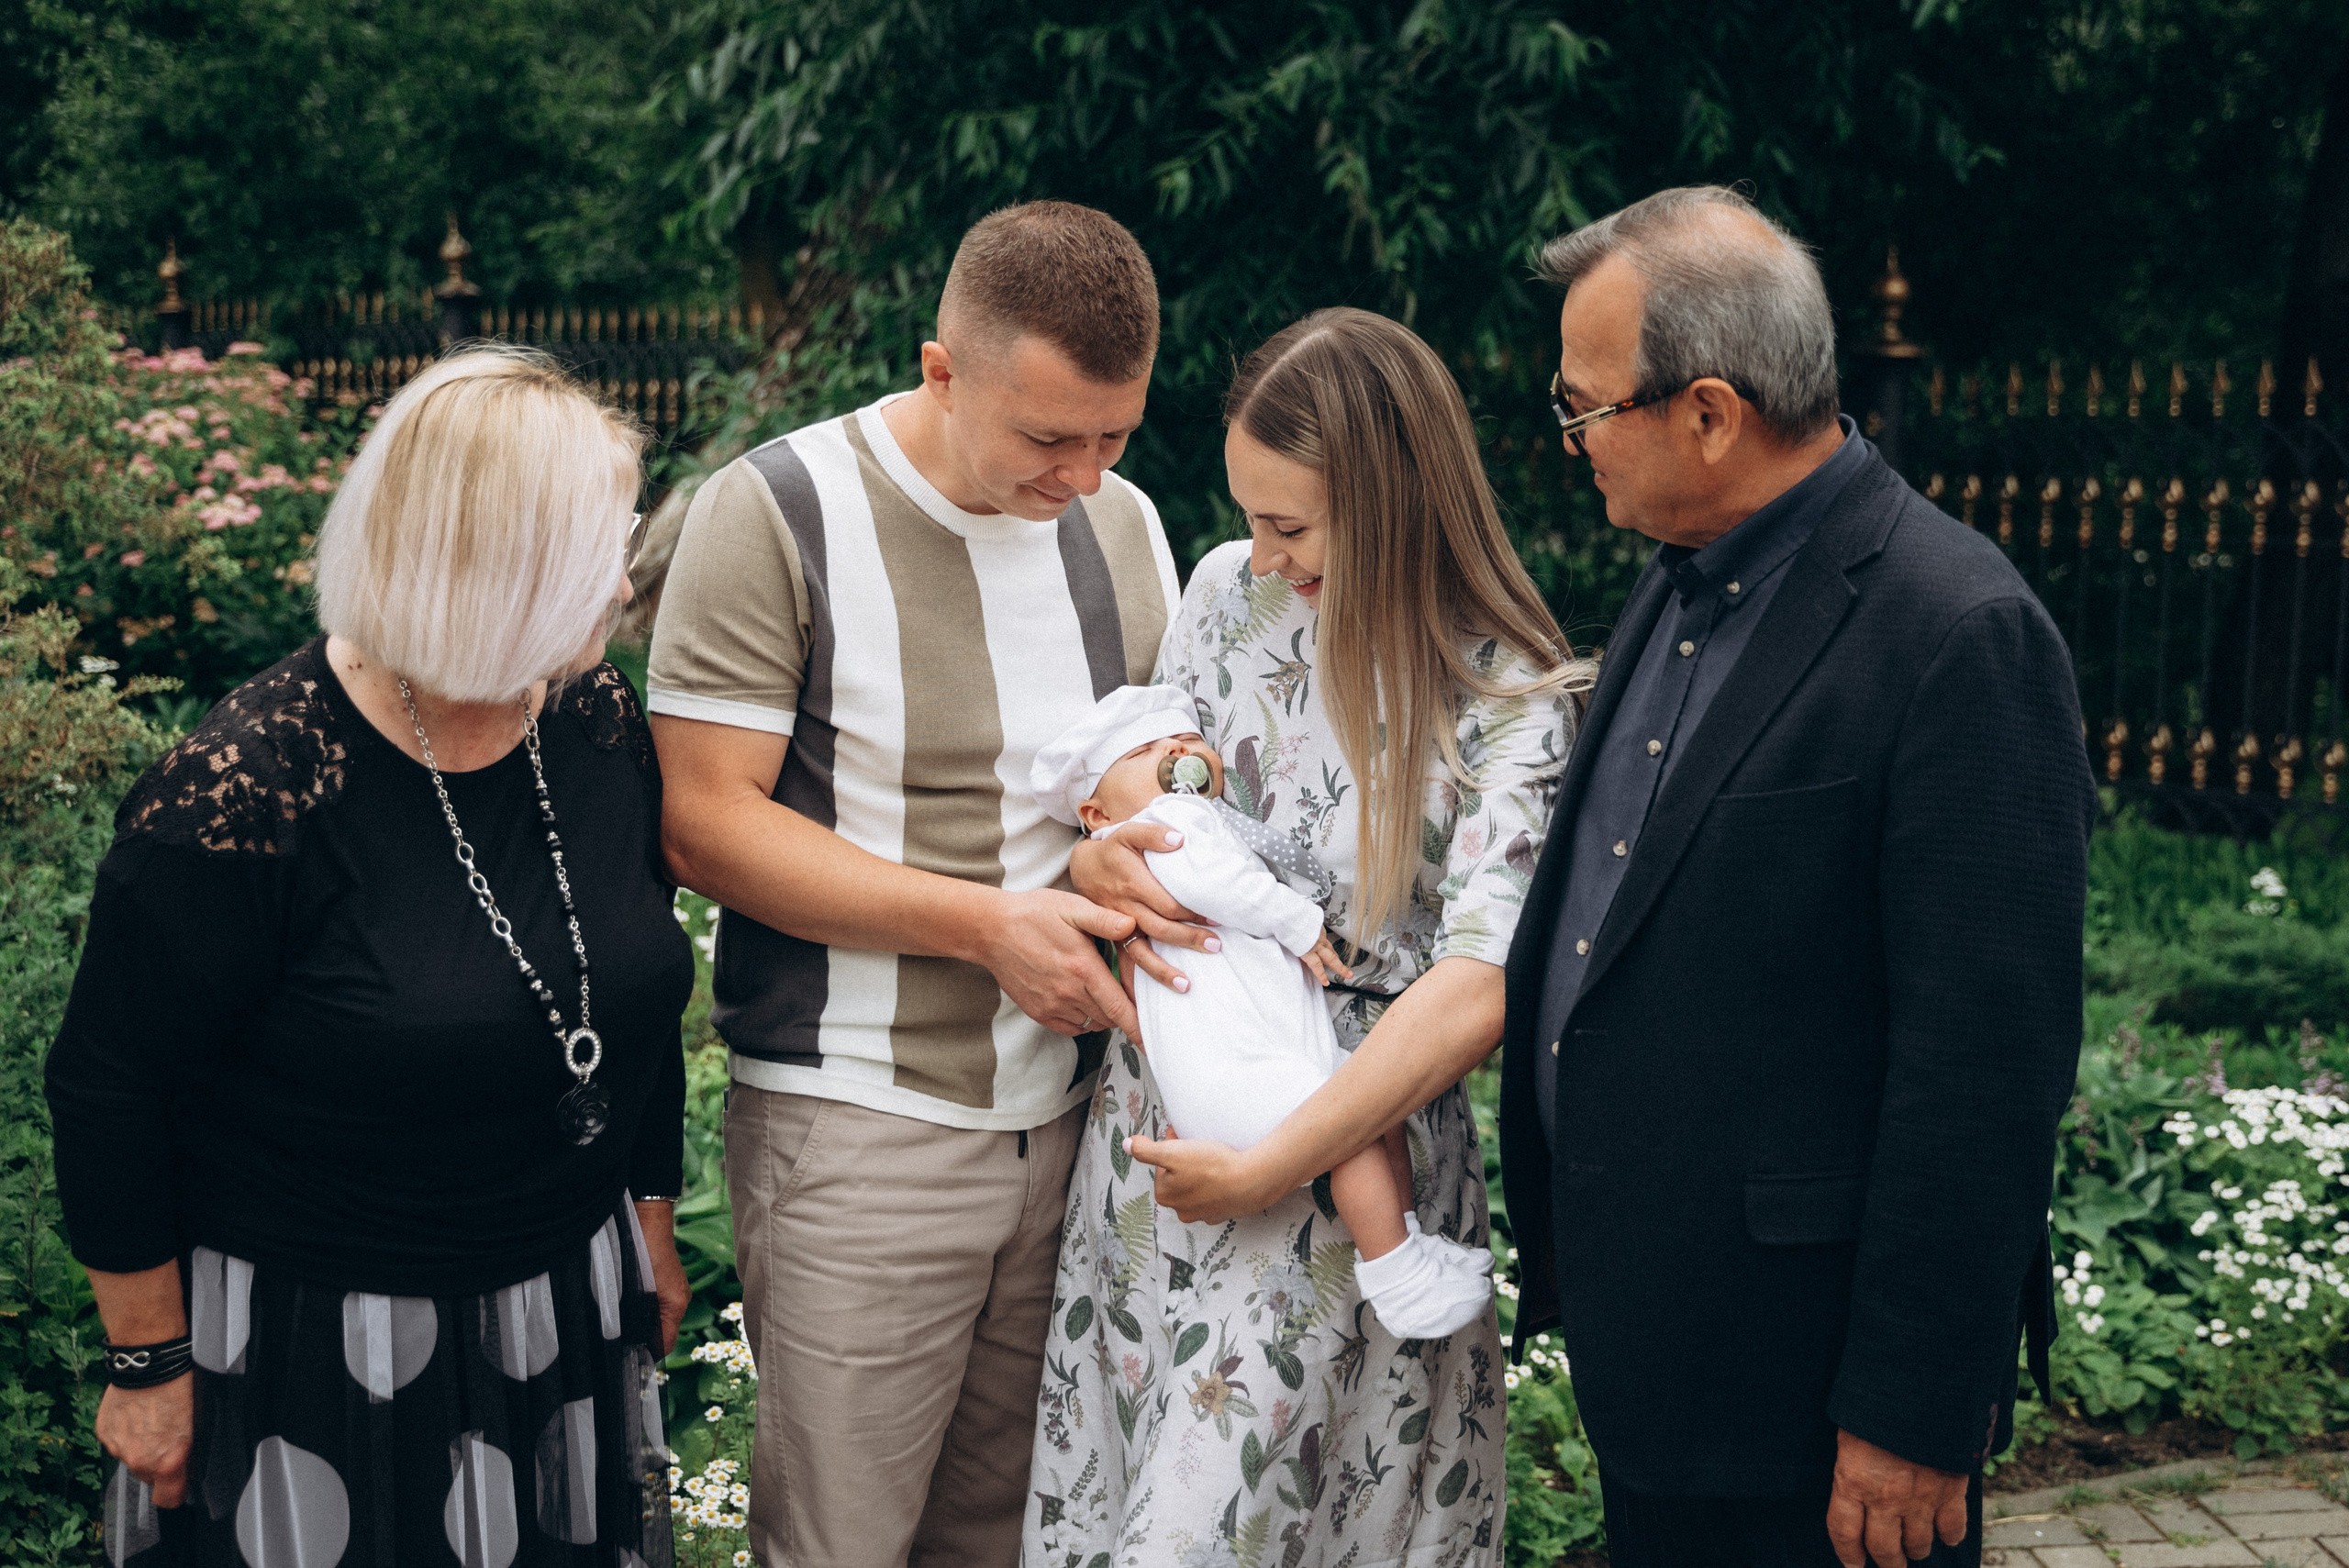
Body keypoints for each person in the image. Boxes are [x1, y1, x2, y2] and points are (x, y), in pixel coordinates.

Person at [1498, 185, 2093, 1568]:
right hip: (1660, 1358)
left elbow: (1986, 1068)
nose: (1570, 437)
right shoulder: (1680, 576)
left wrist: (1912, 1409)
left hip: (1815, 1403)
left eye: (1586, 406)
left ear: (1709, 414)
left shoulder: (1956, 631)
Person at [46, 346, 694, 1568]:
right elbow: (108, 1087)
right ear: (493, 570)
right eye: (598, 550)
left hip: (562, 1297)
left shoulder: (592, 720)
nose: (624, 582)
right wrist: (147, 1364)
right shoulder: (245, 794)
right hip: (324, 1341)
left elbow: (628, 990)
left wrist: (647, 1214)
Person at [646, 201, 1180, 1567]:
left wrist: (1126, 842)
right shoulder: (776, 510)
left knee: (1014, 1544)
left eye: (1114, 436)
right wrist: (986, 925)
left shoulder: (1125, 524)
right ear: (942, 371)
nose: (1085, 475)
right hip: (856, 1126)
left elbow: (1140, 777)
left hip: (1076, 1129)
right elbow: (704, 824)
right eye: (1051, 438)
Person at [1030, 306, 1586, 1568]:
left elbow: (1480, 983)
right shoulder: (1225, 593)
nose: (1265, 555)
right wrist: (1097, 858)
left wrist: (1276, 1161)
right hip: (1156, 1136)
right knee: (1119, 1493)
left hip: (1348, 1153)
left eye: (1291, 525)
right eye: (1251, 519)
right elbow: (1149, 792)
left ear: (1391, 501)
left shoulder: (1507, 693)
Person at [1030, 684, 1496, 1340]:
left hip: (1243, 1062)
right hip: (1238, 1069)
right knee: (1354, 1134)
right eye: (1144, 751)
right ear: (1095, 810)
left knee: (1374, 1107)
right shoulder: (1168, 825)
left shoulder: (1178, 831)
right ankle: (1397, 1273)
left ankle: (1406, 1240)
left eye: (1188, 741)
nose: (1175, 754)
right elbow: (1221, 886)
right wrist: (1299, 921)